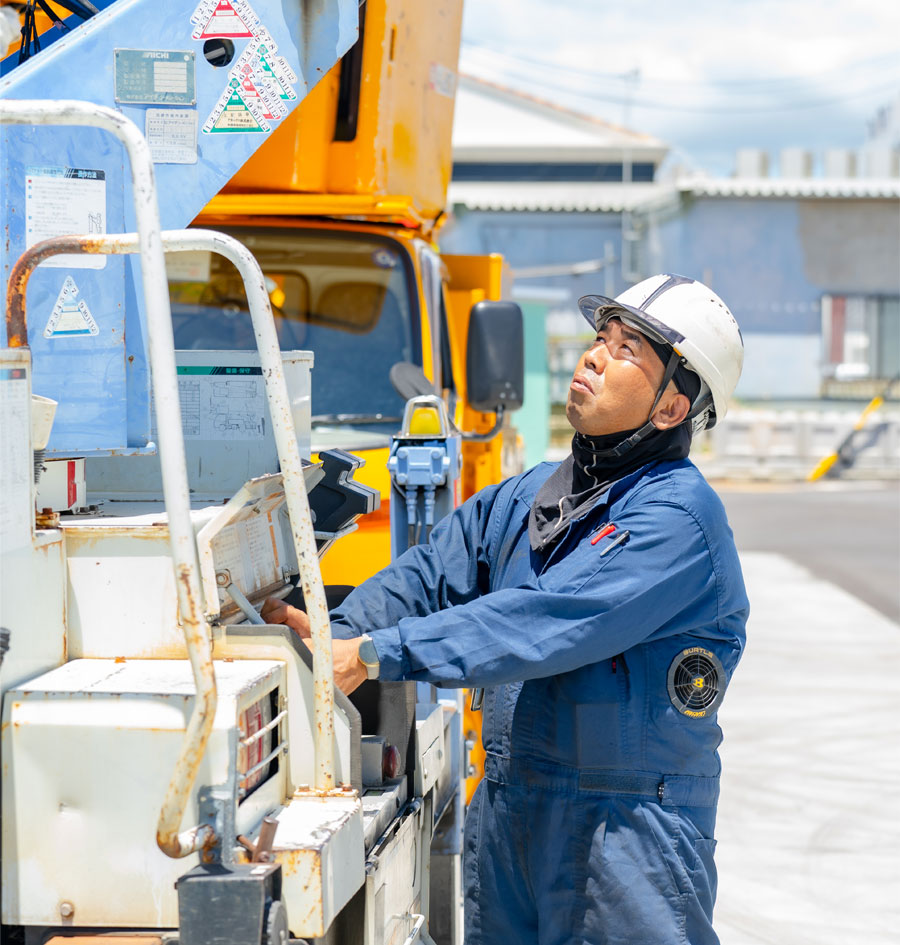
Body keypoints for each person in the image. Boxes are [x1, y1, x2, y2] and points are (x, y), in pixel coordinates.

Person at [263, 273, 749, 945]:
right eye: (600, 337)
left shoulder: (679, 522)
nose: (594, 356)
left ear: (671, 407)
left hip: (627, 837)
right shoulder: (531, 498)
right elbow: (430, 575)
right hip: (513, 814)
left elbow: (543, 621)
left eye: (628, 348)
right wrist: (329, 636)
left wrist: (376, 654)